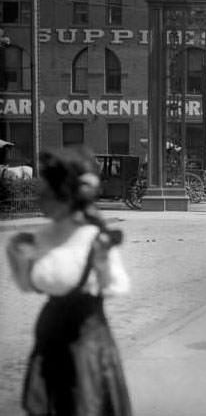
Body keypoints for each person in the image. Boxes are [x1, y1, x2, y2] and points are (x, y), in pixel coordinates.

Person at [5, 147, 132, 416]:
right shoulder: (39, 238)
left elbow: (118, 286)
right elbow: (30, 286)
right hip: (48, 341)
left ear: (66, 196)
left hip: (86, 346)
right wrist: (20, 264)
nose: (40, 198)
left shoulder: (94, 239)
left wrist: (102, 267)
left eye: (47, 191)